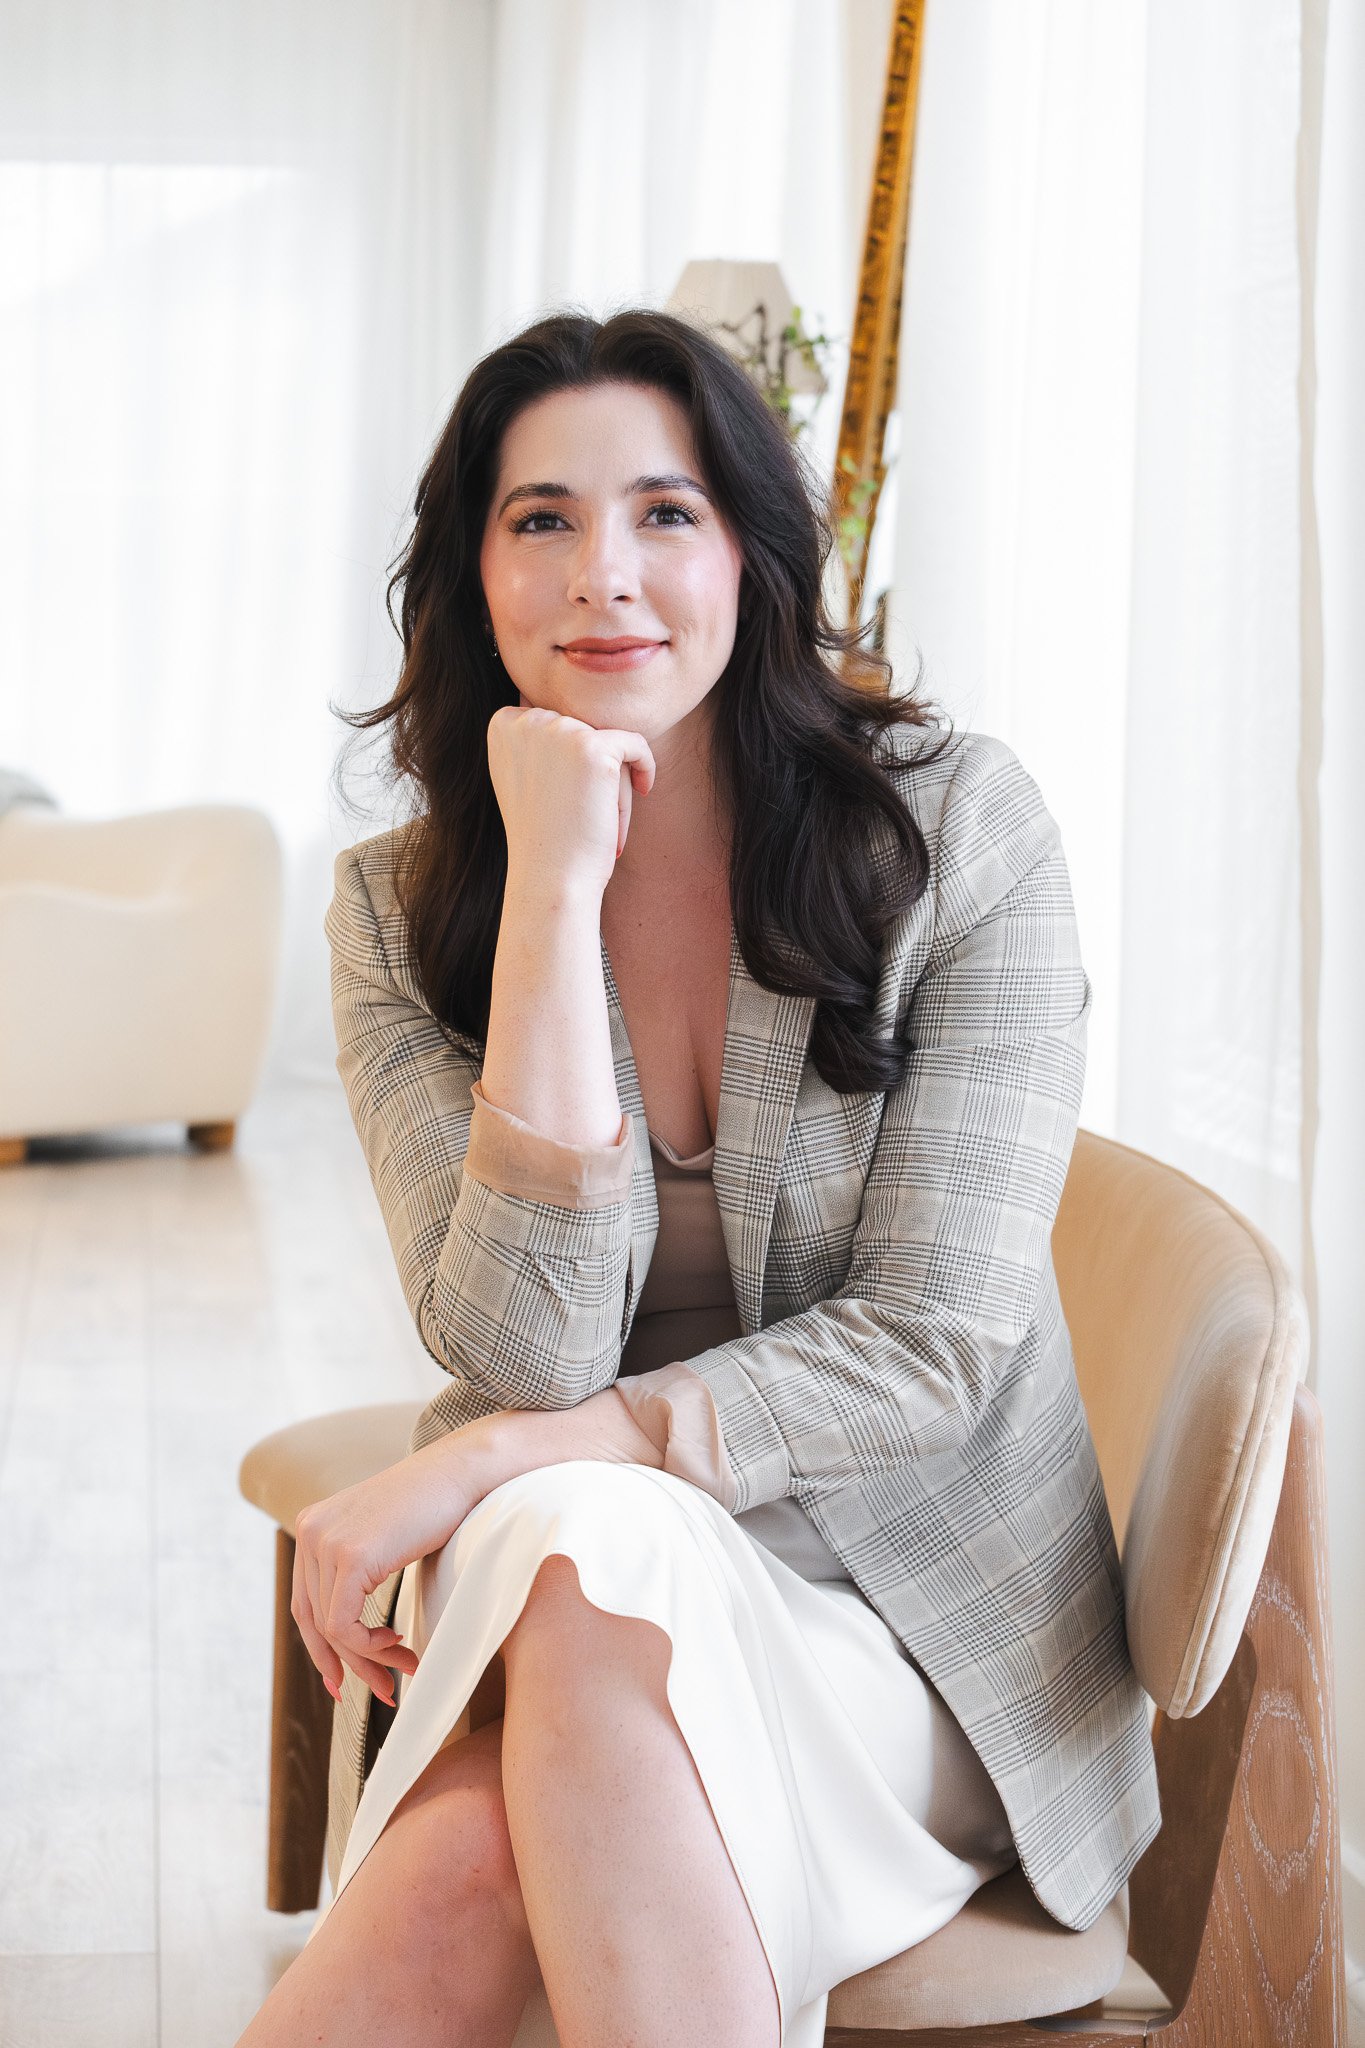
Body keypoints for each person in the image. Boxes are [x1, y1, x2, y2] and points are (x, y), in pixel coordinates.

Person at [236, 307, 1160, 2048]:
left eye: (666, 513)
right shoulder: (394, 904)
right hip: (591, 1612)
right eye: (541, 520)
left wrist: (514, 1462)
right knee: (522, 1721)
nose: (607, 576)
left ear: (752, 551)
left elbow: (930, 1348)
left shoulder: (958, 835)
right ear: (469, 573)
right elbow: (527, 1345)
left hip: (913, 1649)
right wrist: (551, 891)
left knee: (574, 1550)